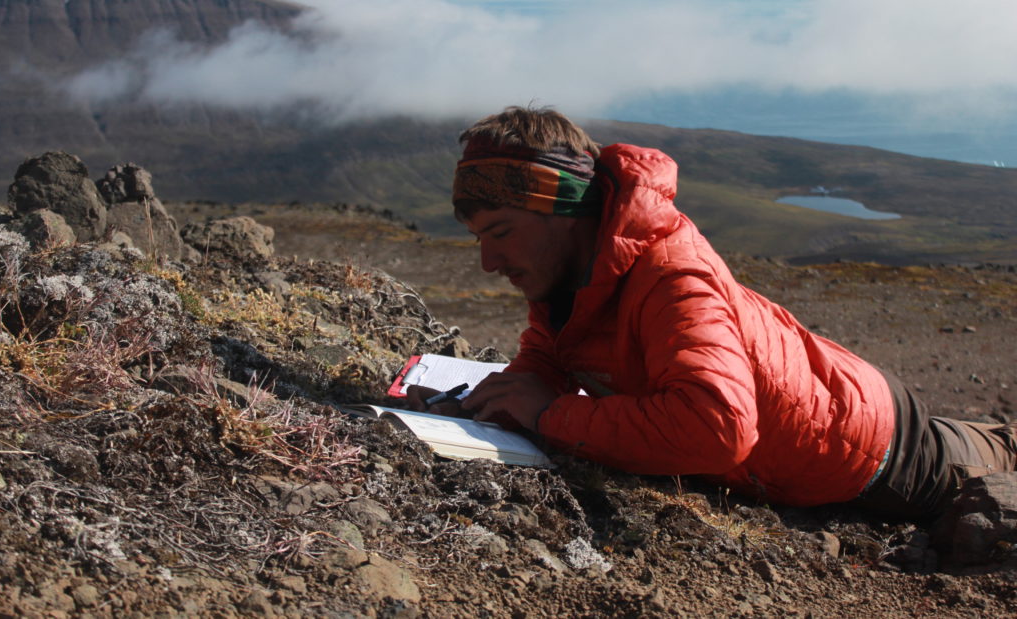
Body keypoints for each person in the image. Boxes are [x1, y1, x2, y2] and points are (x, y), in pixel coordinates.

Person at [408, 105, 1016, 519]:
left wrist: (551, 416)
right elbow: (553, 350)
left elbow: (719, 430)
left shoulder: (671, 276)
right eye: (479, 239)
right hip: (838, 403)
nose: (490, 262)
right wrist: (506, 397)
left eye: (502, 233)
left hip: (879, 448)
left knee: (989, 465)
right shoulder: (571, 274)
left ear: (564, 212)